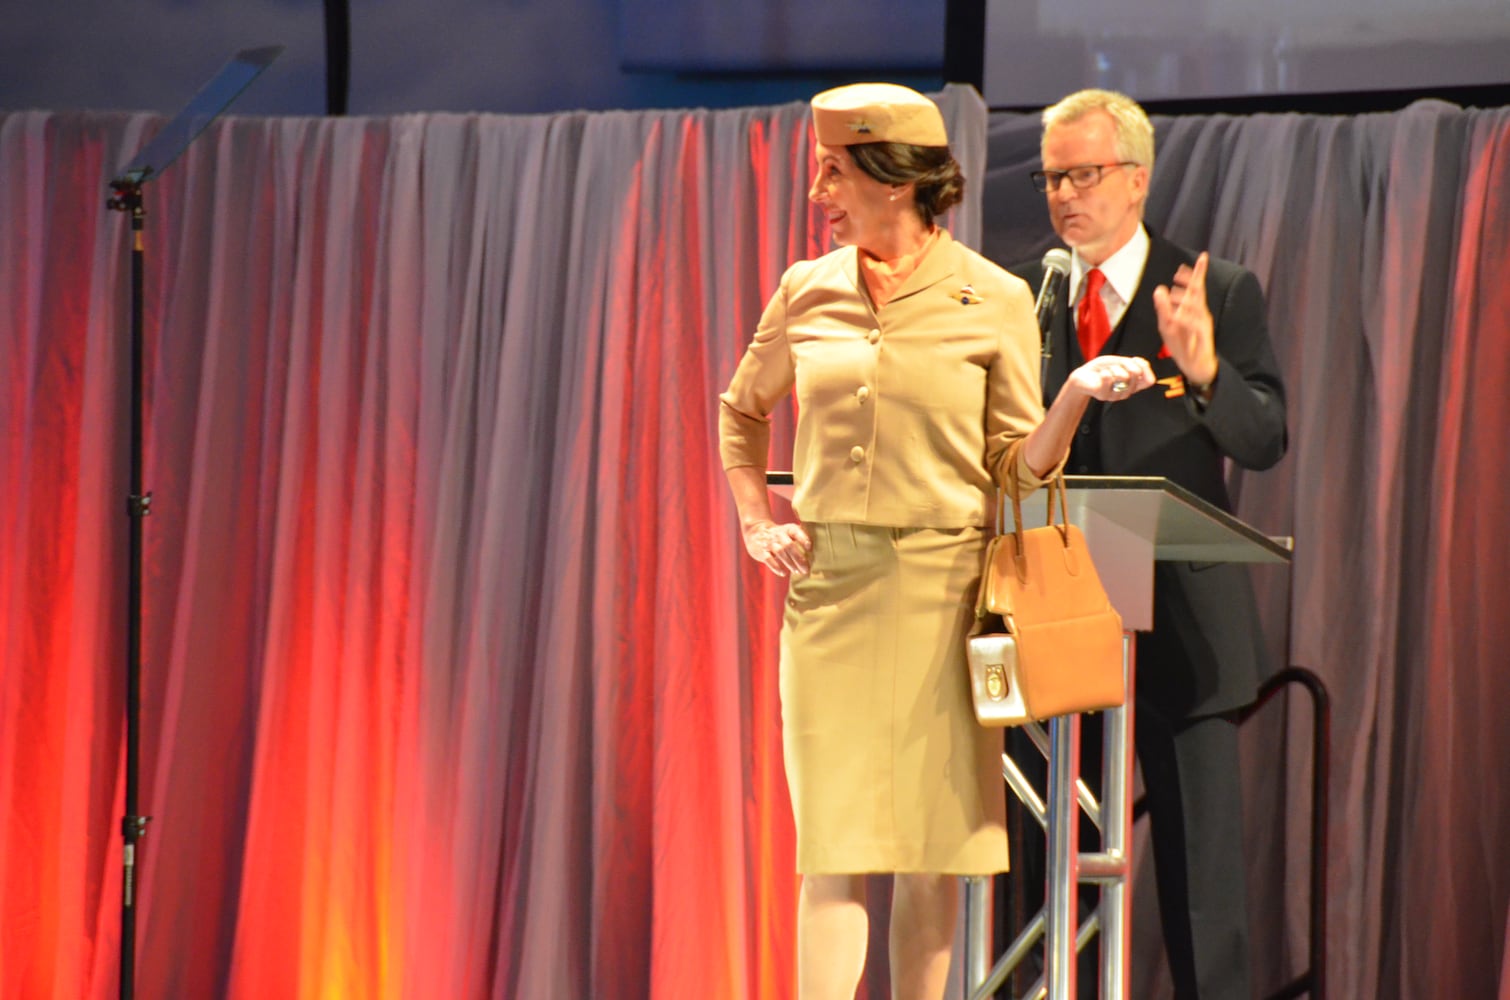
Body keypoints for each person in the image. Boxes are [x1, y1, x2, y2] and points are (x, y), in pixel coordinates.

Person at [717, 83, 1155, 1000]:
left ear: (894, 177)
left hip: (944, 590)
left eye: (833, 170)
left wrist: (1073, 396)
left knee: (926, 849)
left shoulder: (990, 295)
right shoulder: (807, 290)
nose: (817, 191)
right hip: (830, 593)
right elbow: (741, 411)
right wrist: (757, 519)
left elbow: (1016, 466)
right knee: (832, 842)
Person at [1011, 89, 1288, 998]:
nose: (1063, 195)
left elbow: (1263, 438)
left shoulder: (1212, 289)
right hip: (1054, 611)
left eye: (1083, 174)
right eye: (1053, 176)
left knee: (1202, 882)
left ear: (1137, 179)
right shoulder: (1029, 295)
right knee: (1040, 863)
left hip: (1183, 619)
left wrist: (1205, 372)